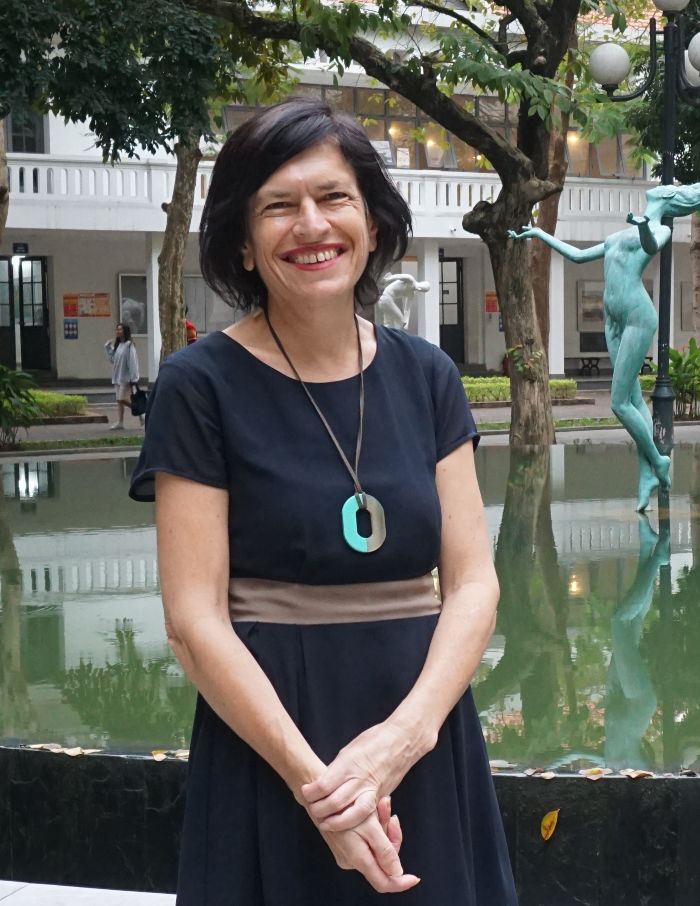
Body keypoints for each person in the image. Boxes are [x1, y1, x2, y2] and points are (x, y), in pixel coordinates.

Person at [129, 98, 516, 905]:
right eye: (278, 205)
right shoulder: (198, 387)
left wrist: (400, 742)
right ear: (243, 241)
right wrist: (325, 792)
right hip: (273, 749)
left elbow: (474, 583)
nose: (312, 225)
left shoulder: (429, 377)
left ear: (371, 223)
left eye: (334, 197)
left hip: (422, 737)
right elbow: (193, 620)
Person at [508, 182, 700, 512]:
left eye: (665, 186)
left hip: (638, 316)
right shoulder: (616, 237)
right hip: (612, 321)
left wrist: (643, 227)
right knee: (633, 400)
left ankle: (658, 460)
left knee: (618, 403)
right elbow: (578, 255)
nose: (659, 186)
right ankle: (647, 474)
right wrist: (539, 234)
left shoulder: (661, 230)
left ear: (668, 197)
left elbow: (651, 245)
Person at [104, 321, 142, 430]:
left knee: (121, 399)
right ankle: (120, 422)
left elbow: (133, 362)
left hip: (126, 378)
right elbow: (113, 360)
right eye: (117, 329)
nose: (118, 331)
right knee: (119, 400)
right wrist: (108, 348)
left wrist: (134, 378)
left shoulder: (129, 345)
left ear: (125, 331)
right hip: (117, 377)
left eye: (120, 329)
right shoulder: (119, 345)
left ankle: (140, 412)